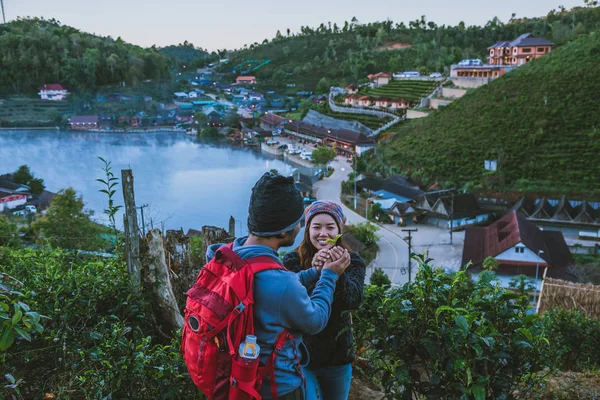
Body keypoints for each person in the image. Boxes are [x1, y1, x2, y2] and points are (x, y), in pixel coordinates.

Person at [205, 173, 351, 400]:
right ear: (284, 231)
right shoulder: (281, 282)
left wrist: (313, 273)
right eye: (298, 223)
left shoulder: (222, 257)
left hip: (232, 376)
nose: (300, 228)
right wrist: (329, 276)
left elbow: (271, 291)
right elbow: (315, 320)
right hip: (276, 386)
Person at [283, 200, 366, 400]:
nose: (323, 233)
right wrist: (315, 272)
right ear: (307, 229)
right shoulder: (292, 260)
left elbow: (352, 301)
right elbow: (293, 304)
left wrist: (338, 273)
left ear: (339, 229)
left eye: (330, 227)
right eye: (316, 227)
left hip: (338, 356)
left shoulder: (353, 261)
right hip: (302, 356)